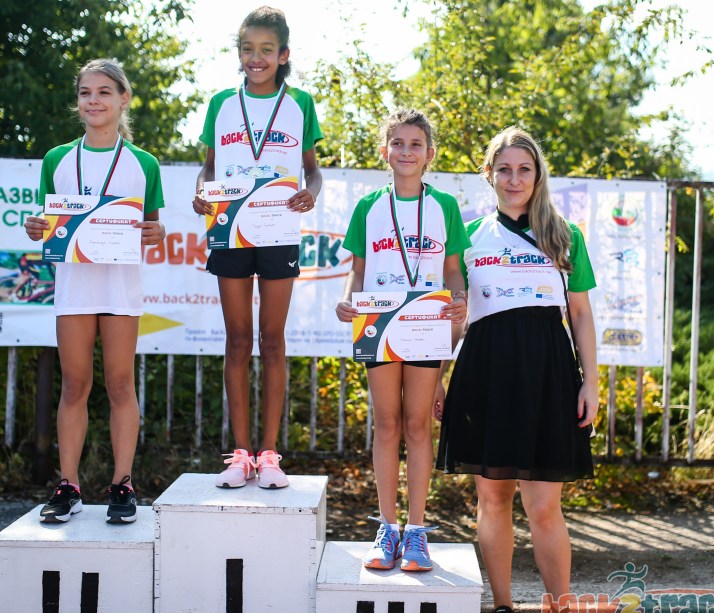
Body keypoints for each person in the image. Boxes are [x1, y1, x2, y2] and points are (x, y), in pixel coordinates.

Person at [435, 126, 599, 613]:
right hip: (485, 371)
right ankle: (502, 608)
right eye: (503, 169)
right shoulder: (468, 237)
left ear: (537, 174)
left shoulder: (564, 236)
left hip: (548, 373)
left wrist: (591, 381)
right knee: (493, 499)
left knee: (544, 504)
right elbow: (452, 316)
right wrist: (437, 376)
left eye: (524, 169)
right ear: (489, 174)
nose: (514, 179)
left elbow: (580, 315)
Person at [23, 58, 165, 524]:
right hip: (75, 288)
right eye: (86, 92)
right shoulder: (56, 159)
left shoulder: (144, 163)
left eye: (104, 92)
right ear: (77, 101)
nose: (94, 100)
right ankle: (68, 486)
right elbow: (48, 222)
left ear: (124, 99)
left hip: (120, 288)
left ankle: (123, 484)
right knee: (74, 385)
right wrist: (36, 227)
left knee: (120, 384)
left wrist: (156, 232)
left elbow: (152, 226)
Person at [191, 6, 323, 490]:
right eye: (248, 49)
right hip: (230, 227)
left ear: (283, 54)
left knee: (272, 340)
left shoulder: (300, 103)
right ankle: (240, 454)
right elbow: (209, 167)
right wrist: (202, 190)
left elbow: (312, 170)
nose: (256, 58)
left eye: (266, 50)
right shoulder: (222, 103)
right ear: (239, 53)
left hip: (278, 228)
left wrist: (311, 192)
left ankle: (269, 454)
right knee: (237, 340)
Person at [335, 109, 468, 571]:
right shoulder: (368, 207)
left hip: (426, 325)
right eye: (398, 143)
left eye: (415, 144)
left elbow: (453, 270)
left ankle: (415, 532)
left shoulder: (444, 206)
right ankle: (386, 528)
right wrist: (347, 301)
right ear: (384, 150)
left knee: (418, 425)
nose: (406, 151)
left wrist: (459, 300)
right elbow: (357, 271)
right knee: (387, 424)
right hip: (379, 323)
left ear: (430, 154)